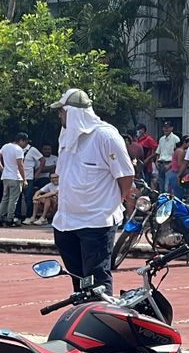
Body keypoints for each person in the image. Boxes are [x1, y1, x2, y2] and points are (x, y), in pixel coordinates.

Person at [50, 88, 133, 294]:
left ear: (73, 112)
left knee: (97, 281)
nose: (60, 115)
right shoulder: (66, 137)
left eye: (62, 111)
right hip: (66, 222)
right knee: (79, 282)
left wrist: (116, 201)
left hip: (96, 222)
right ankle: (83, 319)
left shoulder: (105, 136)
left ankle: (100, 323)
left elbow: (125, 175)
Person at [0, 133, 30, 226]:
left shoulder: (6, 146)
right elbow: (20, 165)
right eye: (25, 142)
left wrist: (1, 168)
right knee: (13, 200)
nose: (25, 144)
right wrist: (24, 179)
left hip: (6, 177)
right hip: (15, 177)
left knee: (5, 198)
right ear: (21, 140)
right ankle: (10, 219)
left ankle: (0, 217)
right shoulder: (18, 149)